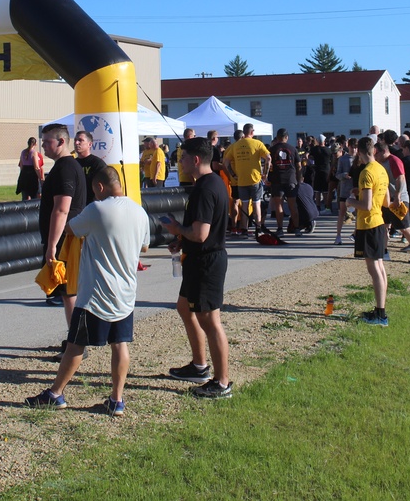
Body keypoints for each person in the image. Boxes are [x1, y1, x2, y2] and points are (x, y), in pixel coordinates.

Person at [25, 167, 150, 414]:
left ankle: (56, 393)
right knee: (120, 344)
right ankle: (116, 399)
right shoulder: (139, 211)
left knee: (75, 344)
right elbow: (144, 247)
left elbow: (71, 228)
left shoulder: (97, 209)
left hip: (95, 293)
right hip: (125, 292)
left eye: (95, 191)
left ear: (100, 187)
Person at [162, 137, 232, 399]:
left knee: (210, 321)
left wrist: (176, 229)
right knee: (184, 307)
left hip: (206, 261)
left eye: (182, 157)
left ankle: (222, 383)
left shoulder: (205, 188)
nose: (179, 161)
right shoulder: (209, 183)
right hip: (197, 259)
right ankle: (199, 366)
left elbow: (201, 234)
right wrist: (180, 239)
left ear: (195, 159)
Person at [39, 124, 87, 330]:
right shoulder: (64, 166)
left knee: (69, 293)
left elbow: (62, 209)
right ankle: (74, 339)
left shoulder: (65, 168)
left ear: (60, 142)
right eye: (42, 141)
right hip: (66, 238)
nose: (43, 146)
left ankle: (76, 343)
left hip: (66, 241)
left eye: (47, 142)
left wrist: (52, 246)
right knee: (68, 292)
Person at [347, 137, 391, 326]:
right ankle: (380, 310)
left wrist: (350, 202)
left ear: (359, 151)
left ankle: (381, 314)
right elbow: (386, 202)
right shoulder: (381, 169)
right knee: (379, 268)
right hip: (379, 221)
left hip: (368, 223)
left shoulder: (366, 173)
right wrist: (362, 193)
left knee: (374, 270)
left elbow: (365, 205)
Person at [376, 141, 410, 263]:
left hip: (399, 199)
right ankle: (384, 251)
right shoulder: (379, 162)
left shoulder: (394, 160)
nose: (375, 156)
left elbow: (400, 178)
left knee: (404, 227)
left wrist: (397, 195)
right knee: (384, 226)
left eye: (377, 154)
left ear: (384, 151)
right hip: (385, 199)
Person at [223, 123, 271, 238]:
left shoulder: (236, 145)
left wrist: (233, 175)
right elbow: (268, 158)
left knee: (244, 205)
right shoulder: (258, 143)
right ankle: (258, 229)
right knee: (256, 205)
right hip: (255, 179)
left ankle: (244, 230)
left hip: (241, 180)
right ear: (252, 132)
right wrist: (265, 174)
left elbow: (226, 162)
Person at [267, 128, 302, 236]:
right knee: (293, 205)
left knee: (279, 205)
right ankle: (296, 228)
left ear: (277, 138)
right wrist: (299, 179)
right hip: (290, 179)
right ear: (286, 137)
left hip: (277, 179)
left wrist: (267, 177)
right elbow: (298, 165)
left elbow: (269, 165)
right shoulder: (293, 149)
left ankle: (280, 228)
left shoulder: (272, 150)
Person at [74, 130, 107, 206]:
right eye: (75, 140)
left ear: (90, 144)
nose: (76, 143)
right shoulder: (73, 163)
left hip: (93, 206)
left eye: (80, 140)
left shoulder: (97, 164)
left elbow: (104, 187)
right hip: (76, 208)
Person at [334, 138, 357, 245]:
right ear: (349, 147)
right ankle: (338, 235)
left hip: (357, 190)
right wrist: (344, 175)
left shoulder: (360, 158)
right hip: (345, 190)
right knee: (342, 213)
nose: (355, 150)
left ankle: (356, 234)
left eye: (356, 148)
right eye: (353, 147)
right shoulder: (343, 159)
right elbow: (337, 175)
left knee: (359, 213)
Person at [309, 135, 333, 212]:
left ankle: (318, 206)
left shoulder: (314, 149)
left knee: (317, 190)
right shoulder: (328, 150)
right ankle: (327, 206)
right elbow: (331, 160)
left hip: (317, 170)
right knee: (326, 190)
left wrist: (312, 165)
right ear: (324, 141)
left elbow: (309, 157)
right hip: (327, 170)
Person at [16, 137, 44, 201]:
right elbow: (36, 167)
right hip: (32, 176)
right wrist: (40, 178)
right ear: (35, 144)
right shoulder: (34, 152)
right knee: (35, 196)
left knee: (25, 196)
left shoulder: (23, 152)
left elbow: (21, 166)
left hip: (24, 175)